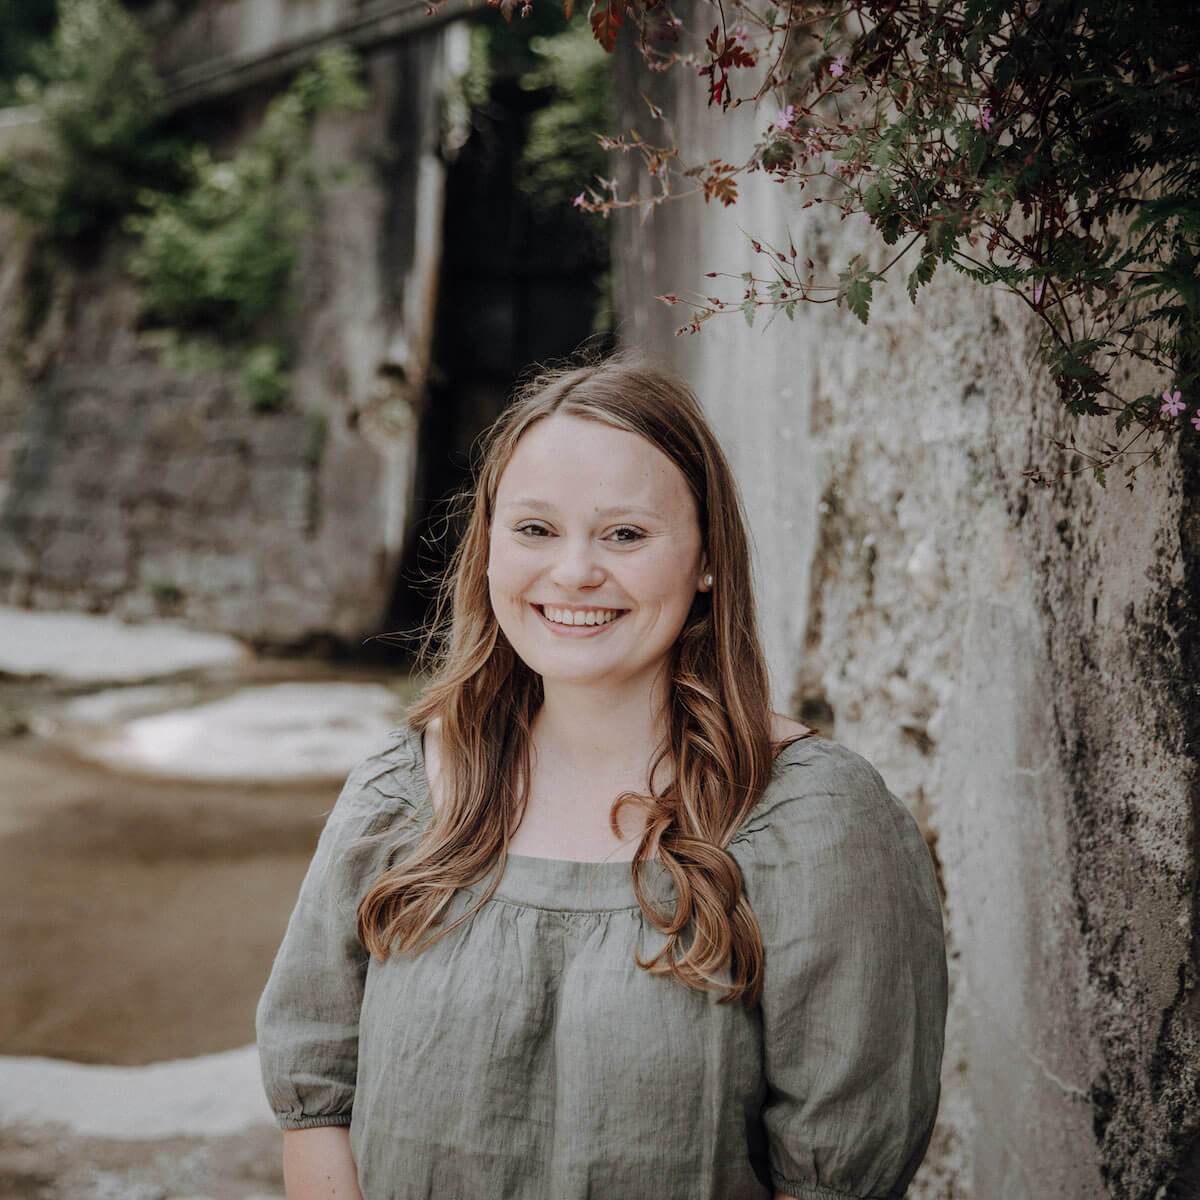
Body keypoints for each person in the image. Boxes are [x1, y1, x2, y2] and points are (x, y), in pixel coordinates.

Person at [256, 354, 948, 1200]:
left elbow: (837, 1176)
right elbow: (315, 1099)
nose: (574, 571)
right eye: (535, 530)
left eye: (624, 534)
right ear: (488, 549)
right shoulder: (400, 794)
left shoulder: (816, 821)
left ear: (706, 560)